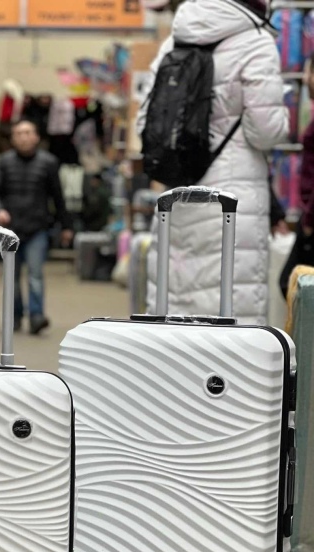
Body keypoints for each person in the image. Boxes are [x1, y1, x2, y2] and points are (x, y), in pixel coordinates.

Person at [137, 0, 288, 323]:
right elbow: (266, 132)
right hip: (234, 200)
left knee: (172, 312)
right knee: (229, 318)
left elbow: (144, 124)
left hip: (177, 198)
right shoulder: (256, 43)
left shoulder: (174, 41)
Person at [0, 120, 73, 334]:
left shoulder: (48, 163)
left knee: (35, 275)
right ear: (13, 138)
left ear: (36, 137)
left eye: (27, 132)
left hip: (37, 228)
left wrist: (66, 226)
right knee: (12, 277)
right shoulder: (3, 162)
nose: (23, 137)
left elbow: (58, 196)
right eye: (19, 133)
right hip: (10, 231)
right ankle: (15, 316)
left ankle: (36, 316)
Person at [280, 55, 314, 294]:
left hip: (311, 217)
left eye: (309, 72)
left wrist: (310, 221)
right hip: (309, 214)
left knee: (291, 284)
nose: (305, 78)